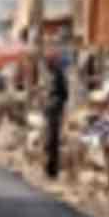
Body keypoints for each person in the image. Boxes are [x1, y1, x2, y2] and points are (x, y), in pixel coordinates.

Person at [44, 51, 70, 180]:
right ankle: (49, 169)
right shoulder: (53, 75)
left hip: (55, 111)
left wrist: (56, 104)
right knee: (49, 140)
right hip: (51, 110)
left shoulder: (58, 75)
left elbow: (65, 94)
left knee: (53, 140)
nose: (47, 65)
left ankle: (52, 171)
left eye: (48, 62)